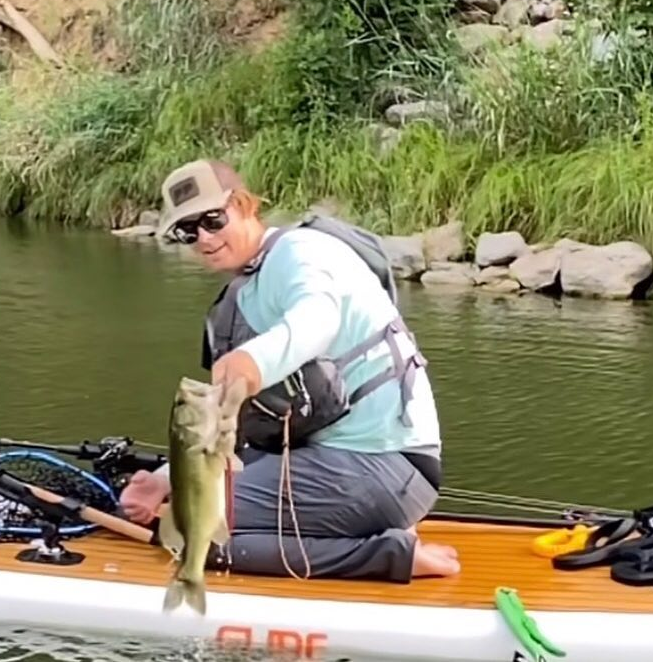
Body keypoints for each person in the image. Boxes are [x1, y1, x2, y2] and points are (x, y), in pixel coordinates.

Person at [120, 158, 460, 582]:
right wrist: (163, 481)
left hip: (385, 466)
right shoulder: (247, 291)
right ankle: (371, 527)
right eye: (189, 231)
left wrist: (252, 362)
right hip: (342, 462)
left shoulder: (300, 254)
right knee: (189, 504)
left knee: (197, 532)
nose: (203, 239)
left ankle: (392, 555)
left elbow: (317, 319)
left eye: (212, 220)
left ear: (243, 204)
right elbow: (242, 433)